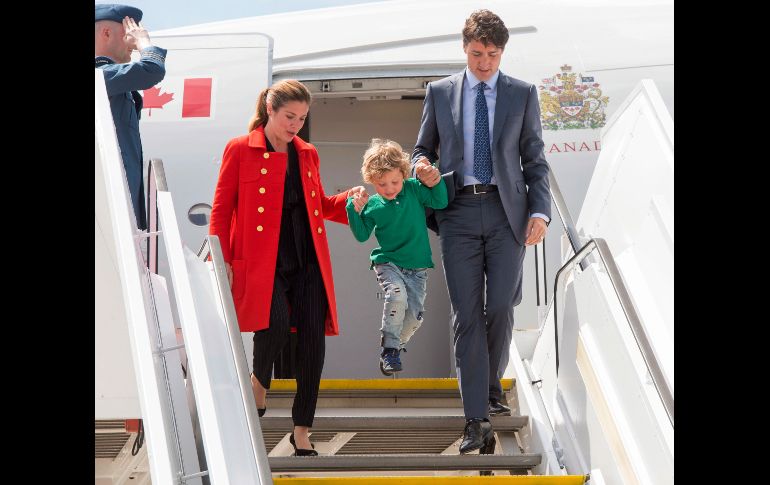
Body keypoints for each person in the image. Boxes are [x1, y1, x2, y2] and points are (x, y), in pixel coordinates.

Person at [411, 9, 551, 454]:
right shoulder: (440, 92)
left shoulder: (522, 94)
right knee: (466, 313)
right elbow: (421, 149)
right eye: (476, 53)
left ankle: (490, 385)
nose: (484, 62)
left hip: (507, 210)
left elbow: (534, 159)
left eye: (492, 54)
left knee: (502, 306)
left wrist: (540, 212)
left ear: (502, 52)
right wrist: (421, 167)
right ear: (464, 48)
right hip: (457, 212)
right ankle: (476, 418)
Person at [209, 80, 366, 456]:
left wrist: (351, 199)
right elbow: (220, 209)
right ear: (269, 111)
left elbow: (320, 205)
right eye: (288, 117)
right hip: (265, 260)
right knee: (274, 323)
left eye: (302, 118)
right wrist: (223, 259)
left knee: (312, 342)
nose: (295, 124)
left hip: (307, 257)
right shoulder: (239, 148)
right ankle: (259, 381)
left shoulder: (307, 153)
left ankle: (301, 431)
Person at [345, 139, 447, 376]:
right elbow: (361, 235)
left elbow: (440, 200)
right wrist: (353, 207)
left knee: (415, 317)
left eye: (394, 182)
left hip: (418, 268)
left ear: (404, 174)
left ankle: (393, 348)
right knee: (396, 296)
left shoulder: (413, 188)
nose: (389, 188)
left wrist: (436, 178)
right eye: (381, 184)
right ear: (371, 182)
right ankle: (390, 348)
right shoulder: (373, 206)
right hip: (388, 263)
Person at [95, 4, 167, 231]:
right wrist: (144, 42)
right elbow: (151, 69)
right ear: (106, 33)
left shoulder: (113, 81)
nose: (133, 44)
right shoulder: (101, 77)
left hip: (121, 212)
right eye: (128, 31)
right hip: (108, 211)